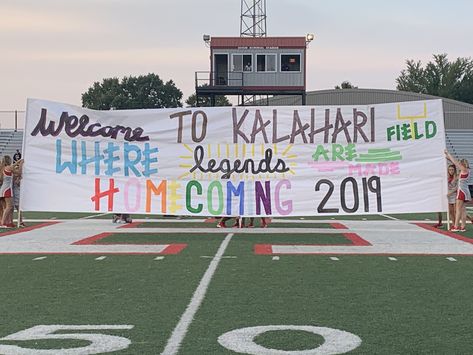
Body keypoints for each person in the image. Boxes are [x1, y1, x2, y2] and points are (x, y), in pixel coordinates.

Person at [445, 150, 470, 232]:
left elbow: (455, 163)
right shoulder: (466, 170)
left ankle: (456, 227)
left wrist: (448, 154)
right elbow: (454, 164)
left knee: (458, 209)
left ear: (462, 164)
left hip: (461, 191)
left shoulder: (464, 169)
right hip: (465, 191)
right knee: (463, 210)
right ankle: (463, 227)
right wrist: (448, 158)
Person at [0, 156, 23, 228]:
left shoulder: (3, 168)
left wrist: (18, 162)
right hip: (7, 189)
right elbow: (19, 173)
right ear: (9, 160)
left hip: (3, 189)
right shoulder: (9, 168)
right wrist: (21, 165)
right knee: (9, 207)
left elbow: (12, 166)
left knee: (6, 207)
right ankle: (3, 223)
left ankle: (7, 222)